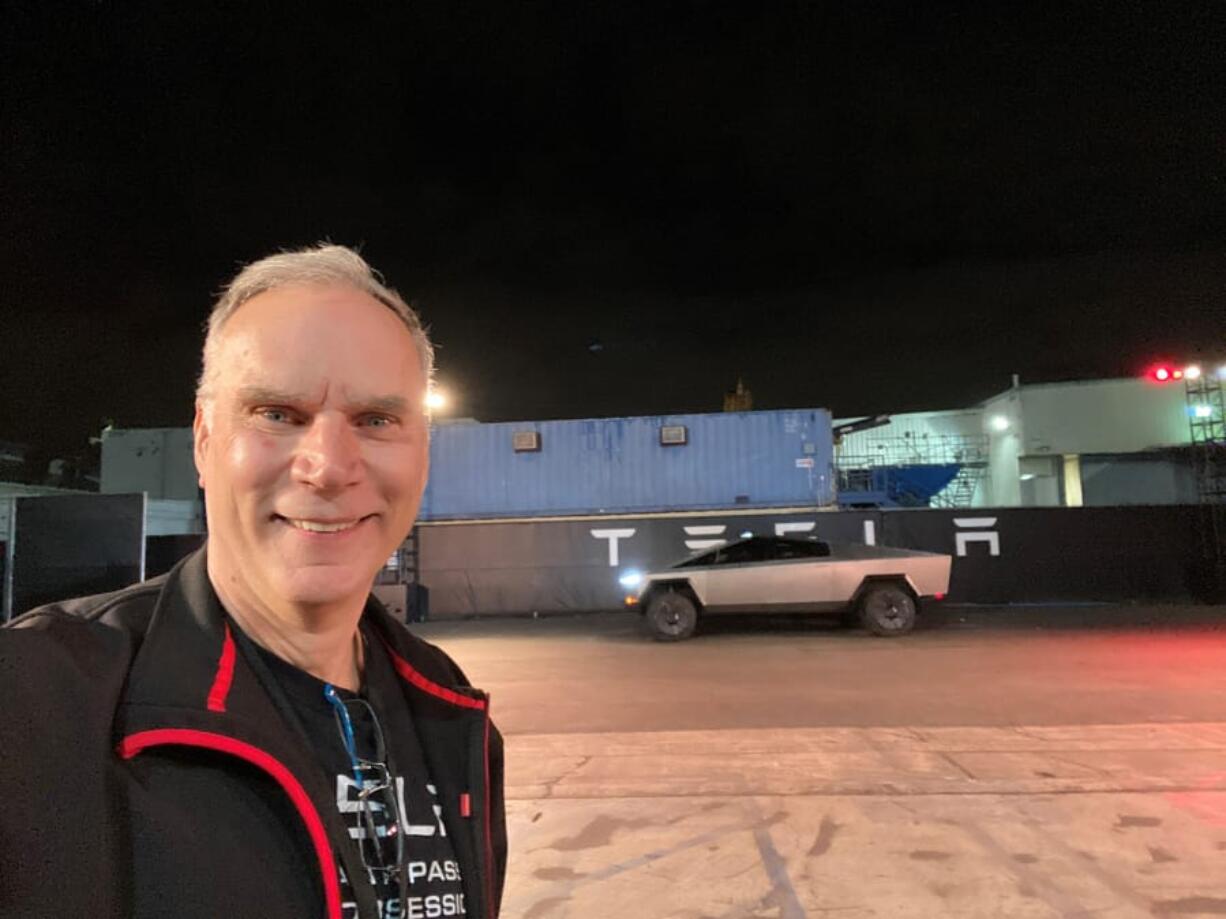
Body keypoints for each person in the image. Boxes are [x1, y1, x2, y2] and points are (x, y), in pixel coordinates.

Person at [0, 245, 506, 919]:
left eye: (376, 420)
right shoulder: (38, 706)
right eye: (278, 413)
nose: (328, 466)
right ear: (204, 440)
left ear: (423, 452)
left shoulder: (451, 714)